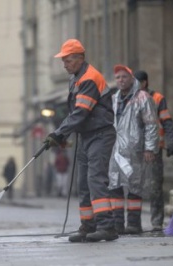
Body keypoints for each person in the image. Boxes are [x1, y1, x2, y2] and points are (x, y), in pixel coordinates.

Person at [44, 39, 118, 242]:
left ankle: (107, 226)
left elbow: (80, 113)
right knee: (83, 183)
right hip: (87, 136)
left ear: (80, 58)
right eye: (63, 61)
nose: (64, 64)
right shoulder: (75, 78)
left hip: (100, 134)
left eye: (67, 60)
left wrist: (59, 133)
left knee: (95, 179)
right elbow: (75, 114)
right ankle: (88, 226)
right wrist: (60, 134)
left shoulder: (89, 79)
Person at [108, 65, 159, 235]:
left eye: (124, 77)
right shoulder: (114, 98)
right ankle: (117, 224)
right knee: (114, 184)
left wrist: (149, 148)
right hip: (116, 150)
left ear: (132, 79)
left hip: (135, 150)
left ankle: (133, 224)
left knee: (134, 186)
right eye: (118, 78)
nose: (120, 80)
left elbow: (151, 124)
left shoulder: (142, 97)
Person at [134, 70, 173, 231]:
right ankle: (133, 223)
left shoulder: (157, 98)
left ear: (144, 83)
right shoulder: (131, 98)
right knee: (135, 186)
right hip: (135, 151)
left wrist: (171, 143)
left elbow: (167, 122)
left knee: (155, 187)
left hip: (153, 150)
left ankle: (157, 222)